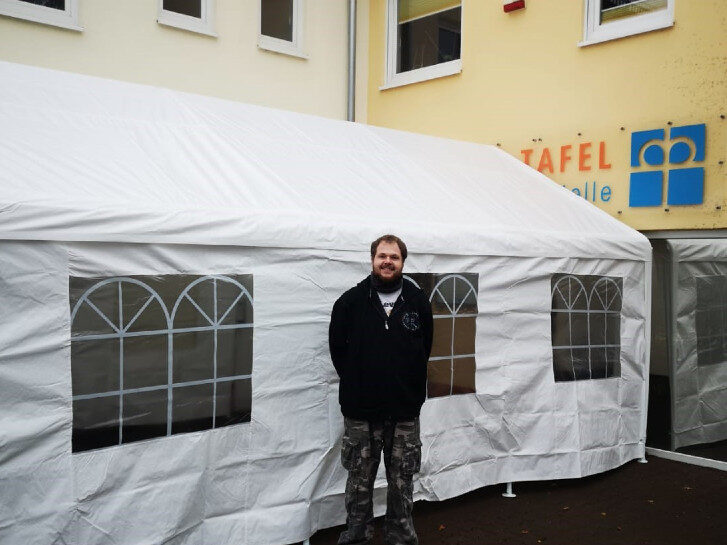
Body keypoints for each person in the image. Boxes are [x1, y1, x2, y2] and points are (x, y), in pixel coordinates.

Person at [329, 234, 433, 545]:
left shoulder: (417, 303)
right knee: (359, 481)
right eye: (382, 256)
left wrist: (407, 387)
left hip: (403, 412)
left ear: (403, 262)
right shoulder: (350, 302)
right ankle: (357, 537)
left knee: (402, 483)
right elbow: (338, 352)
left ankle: (400, 538)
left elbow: (424, 348)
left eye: (394, 257)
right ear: (373, 259)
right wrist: (360, 382)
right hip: (361, 413)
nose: (387, 261)